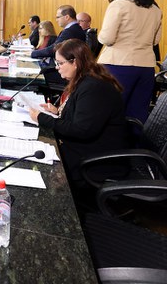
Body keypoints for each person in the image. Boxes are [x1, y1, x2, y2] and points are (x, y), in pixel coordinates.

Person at [29, 39, 129, 190]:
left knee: (40, 167)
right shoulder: (85, 79)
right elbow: (83, 114)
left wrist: (42, 118)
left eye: (60, 63)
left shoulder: (93, 87)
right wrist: (57, 111)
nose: (57, 67)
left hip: (97, 160)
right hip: (89, 148)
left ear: (74, 62)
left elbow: (82, 130)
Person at [97, 0, 163, 123]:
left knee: (110, 110)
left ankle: (112, 140)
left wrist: (99, 35)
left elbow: (107, 38)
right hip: (146, 66)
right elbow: (155, 41)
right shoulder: (155, 9)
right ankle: (135, 140)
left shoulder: (118, 5)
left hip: (118, 64)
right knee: (138, 114)